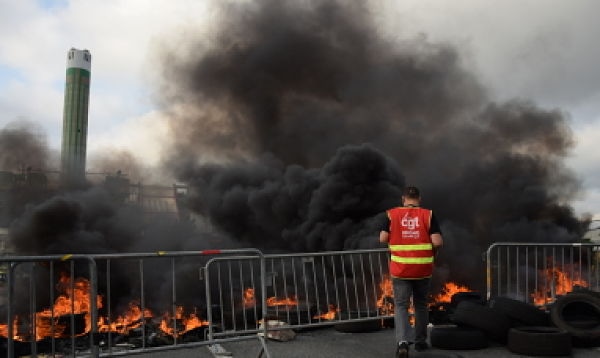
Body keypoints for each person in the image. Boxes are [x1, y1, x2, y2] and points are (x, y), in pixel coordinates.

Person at [379, 186, 443, 358]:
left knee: (401, 305)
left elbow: (383, 238)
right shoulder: (428, 215)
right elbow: (437, 241)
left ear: (403, 199)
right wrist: (432, 252)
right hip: (423, 268)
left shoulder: (392, 214)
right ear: (419, 199)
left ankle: (402, 343)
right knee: (421, 304)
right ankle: (421, 342)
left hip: (400, 269)